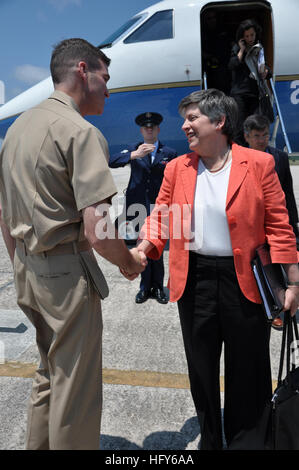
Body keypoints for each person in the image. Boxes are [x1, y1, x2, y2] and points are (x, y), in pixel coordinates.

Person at [0, 38, 146, 450]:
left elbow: (4, 211)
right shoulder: (80, 132)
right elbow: (98, 229)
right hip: (65, 276)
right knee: (76, 387)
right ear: (84, 70)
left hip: (29, 269)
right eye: (105, 76)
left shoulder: (17, 129)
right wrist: (130, 261)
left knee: (49, 374)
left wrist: (22, 264)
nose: (108, 87)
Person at [135, 89, 299, 450]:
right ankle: (211, 440)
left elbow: (279, 225)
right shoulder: (177, 168)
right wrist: (144, 249)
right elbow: (161, 216)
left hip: (245, 278)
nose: (185, 126)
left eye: (192, 118)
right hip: (194, 281)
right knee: (202, 369)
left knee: (249, 369)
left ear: (219, 122)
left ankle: (249, 441)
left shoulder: (259, 164)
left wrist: (293, 281)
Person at [109, 112, 177, 304]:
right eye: (146, 128)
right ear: (141, 130)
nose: (149, 130)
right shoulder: (133, 149)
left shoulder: (169, 153)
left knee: (156, 247)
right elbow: (111, 161)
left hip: (158, 207)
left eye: (153, 127)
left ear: (158, 130)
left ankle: (158, 287)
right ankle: (144, 288)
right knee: (141, 247)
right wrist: (134, 155)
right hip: (137, 205)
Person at [243, 113, 299, 329]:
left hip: (277, 222)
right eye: (257, 136)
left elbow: (288, 193)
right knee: (261, 269)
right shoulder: (238, 159)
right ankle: (271, 309)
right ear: (247, 137)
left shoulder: (280, 157)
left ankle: (284, 303)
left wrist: (293, 225)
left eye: (265, 135)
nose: (262, 139)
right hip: (253, 226)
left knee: (283, 265)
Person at [228, 19, 272, 145]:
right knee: (239, 126)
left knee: (256, 123)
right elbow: (232, 65)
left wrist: (266, 72)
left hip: (255, 93)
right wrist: (241, 50)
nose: (250, 38)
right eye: (246, 36)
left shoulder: (259, 49)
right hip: (240, 94)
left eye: (252, 35)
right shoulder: (237, 48)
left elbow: (267, 69)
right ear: (242, 37)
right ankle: (240, 152)